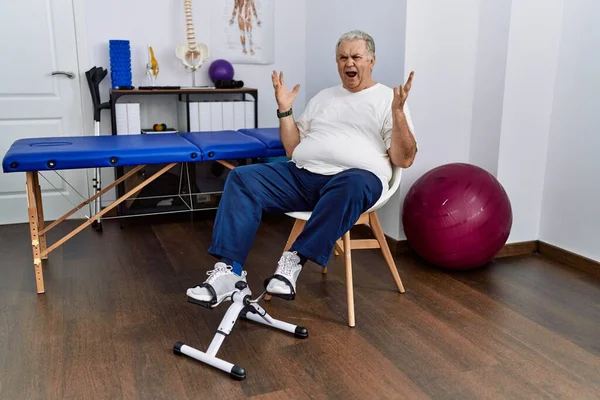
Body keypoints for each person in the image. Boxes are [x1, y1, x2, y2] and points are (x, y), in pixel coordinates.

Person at [187, 30, 417, 307]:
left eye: (356, 56)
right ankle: (229, 273)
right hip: (304, 175)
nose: (349, 63)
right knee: (241, 178)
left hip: (355, 181)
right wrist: (285, 110)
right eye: (342, 57)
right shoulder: (324, 97)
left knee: (352, 183)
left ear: (372, 61)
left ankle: (293, 260)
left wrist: (399, 114)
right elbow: (292, 149)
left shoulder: (387, 100)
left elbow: (404, 159)